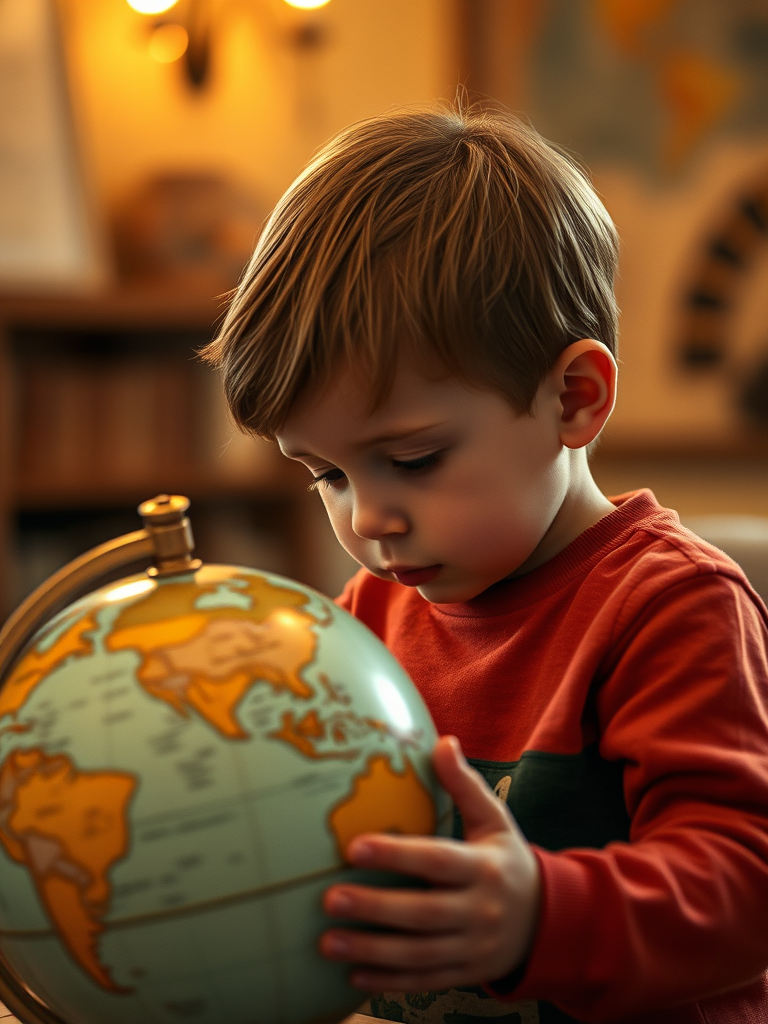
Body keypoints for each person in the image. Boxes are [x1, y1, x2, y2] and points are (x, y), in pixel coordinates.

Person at [202, 104, 768, 1024]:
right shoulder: (363, 622)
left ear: (575, 400)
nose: (370, 517)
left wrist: (538, 917)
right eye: (327, 475)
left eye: (414, 460)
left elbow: (746, 884)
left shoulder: (672, 607)